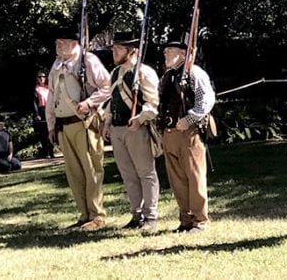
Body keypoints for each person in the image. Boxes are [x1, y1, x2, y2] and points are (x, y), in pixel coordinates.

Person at [46, 26, 111, 231]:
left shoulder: (88, 61)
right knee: (74, 173)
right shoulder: (57, 65)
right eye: (57, 42)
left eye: (62, 42)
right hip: (63, 125)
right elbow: (51, 96)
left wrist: (90, 102)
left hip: (84, 123)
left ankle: (97, 215)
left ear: (74, 44)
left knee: (91, 170)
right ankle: (84, 215)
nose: (58, 46)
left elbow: (107, 86)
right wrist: (51, 125)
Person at [102, 33, 161, 234]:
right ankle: (136, 215)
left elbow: (153, 103)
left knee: (146, 173)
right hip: (118, 129)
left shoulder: (144, 72)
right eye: (114, 48)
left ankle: (151, 215)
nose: (114, 52)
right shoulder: (115, 73)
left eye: (118, 48)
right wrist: (107, 122)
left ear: (132, 50)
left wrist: (141, 118)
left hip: (137, 129)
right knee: (128, 175)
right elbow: (112, 100)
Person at [157, 39, 216, 233]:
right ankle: (186, 219)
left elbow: (206, 100)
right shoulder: (168, 76)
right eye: (165, 50)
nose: (166, 53)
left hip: (188, 134)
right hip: (170, 133)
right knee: (177, 180)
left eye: (170, 50)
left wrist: (189, 119)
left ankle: (200, 220)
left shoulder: (194, 73)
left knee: (194, 177)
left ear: (183, 53)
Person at [33, 70, 54, 158]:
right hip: (41, 111)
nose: (42, 78)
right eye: (40, 77)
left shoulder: (49, 88)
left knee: (51, 130)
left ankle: (51, 151)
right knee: (44, 133)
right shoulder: (36, 89)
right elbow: (34, 103)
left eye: (43, 76)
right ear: (37, 79)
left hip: (50, 110)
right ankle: (46, 152)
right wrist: (36, 114)